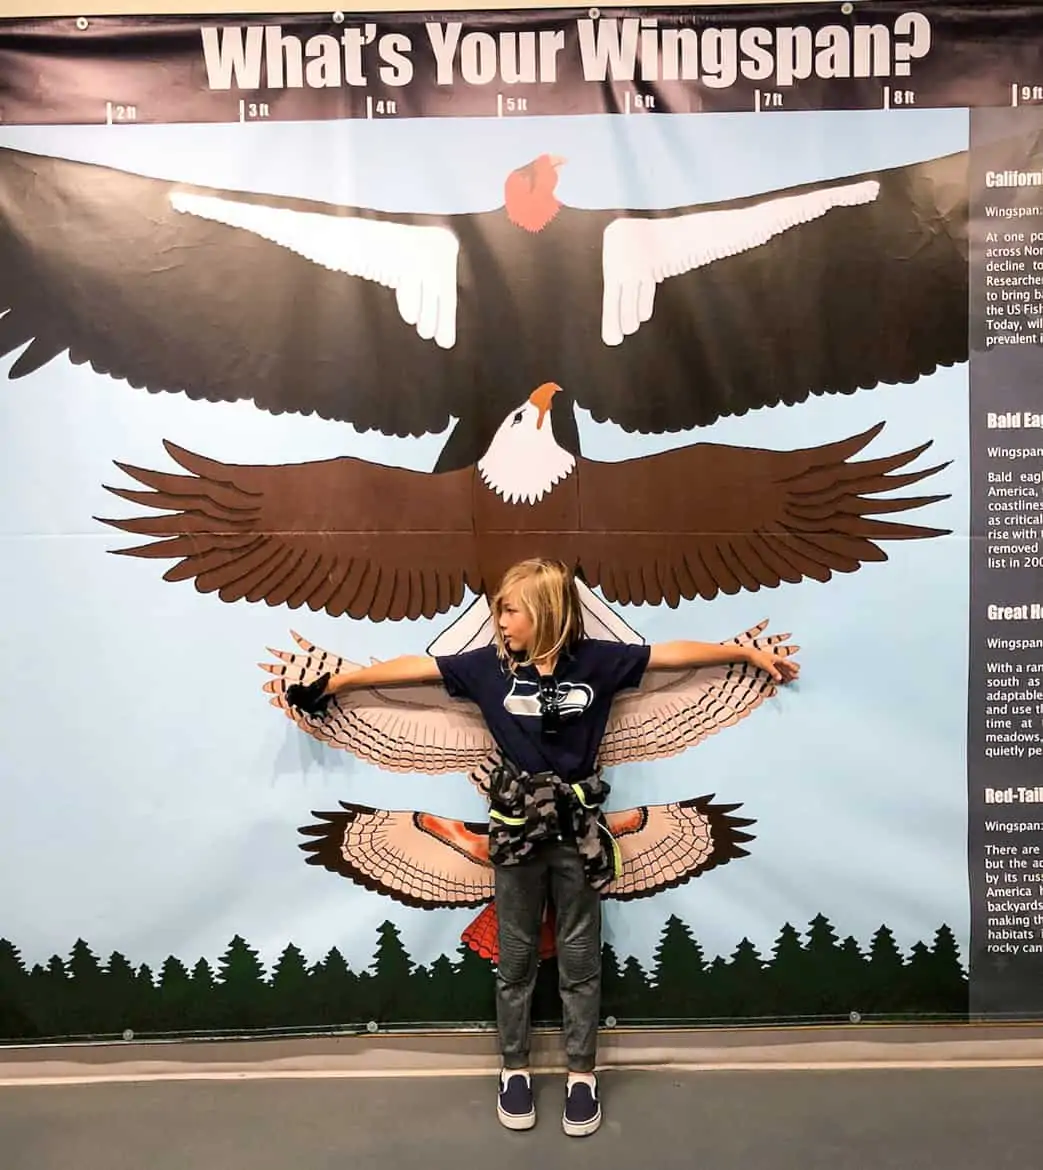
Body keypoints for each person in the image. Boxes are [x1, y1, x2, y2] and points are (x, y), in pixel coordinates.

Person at [285, 558, 799, 1137]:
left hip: (578, 834)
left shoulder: (599, 662)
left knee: (580, 959)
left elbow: (671, 654)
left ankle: (583, 1074)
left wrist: (746, 654)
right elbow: (412, 668)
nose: (499, 620)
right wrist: (331, 685)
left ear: (545, 611)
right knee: (517, 957)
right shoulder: (486, 669)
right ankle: (515, 1069)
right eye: (498, 609)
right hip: (516, 831)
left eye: (509, 609)